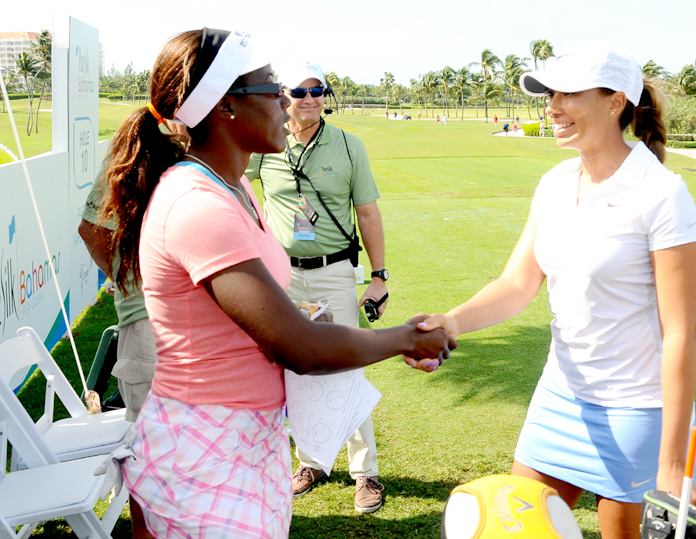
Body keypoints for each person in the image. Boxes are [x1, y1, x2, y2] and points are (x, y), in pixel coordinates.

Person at [100, 29, 455, 538]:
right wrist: (403, 337)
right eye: (272, 88)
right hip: (204, 445)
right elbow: (300, 349)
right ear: (225, 107)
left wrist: (310, 318)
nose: (285, 100)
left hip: (247, 436)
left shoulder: (236, 185)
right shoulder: (197, 203)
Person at [409, 41, 696, 539]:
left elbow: (682, 333)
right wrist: (452, 321)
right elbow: (517, 284)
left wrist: (671, 465)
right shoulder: (555, 182)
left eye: (567, 94)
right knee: (515, 527)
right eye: (549, 95)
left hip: (637, 411)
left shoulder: (661, 193)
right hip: (559, 398)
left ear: (614, 102)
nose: (552, 107)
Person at [245, 61, 391, 513]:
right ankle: (310, 461)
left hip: (335, 272)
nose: (309, 99)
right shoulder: (266, 144)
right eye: (299, 91)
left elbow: (366, 212)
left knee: (346, 369)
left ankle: (365, 472)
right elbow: (236, 188)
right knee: (294, 370)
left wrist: (379, 277)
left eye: (318, 90)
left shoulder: (349, 146)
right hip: (283, 275)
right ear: (282, 96)